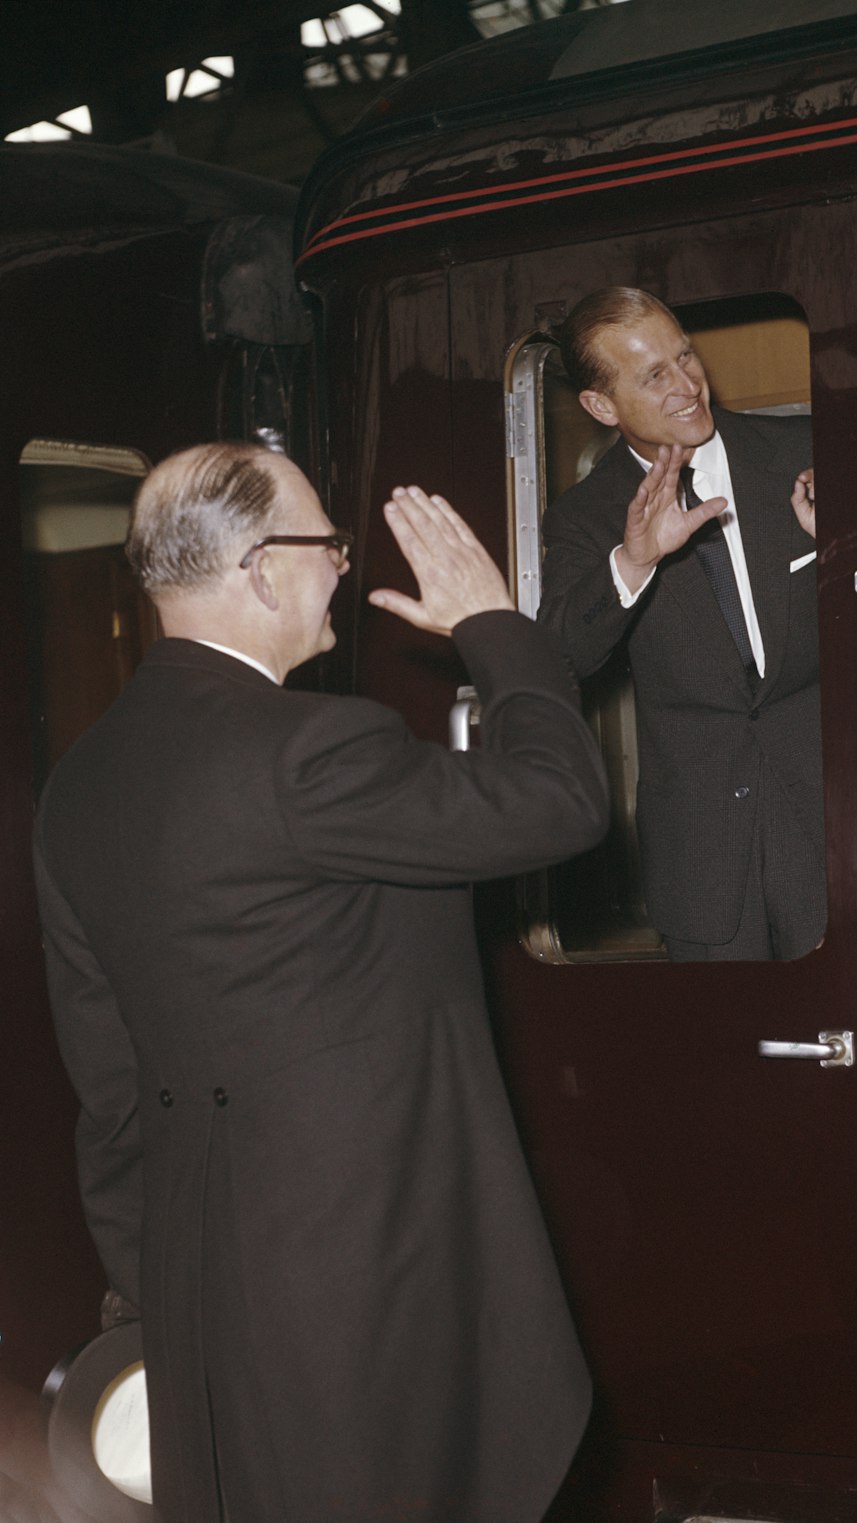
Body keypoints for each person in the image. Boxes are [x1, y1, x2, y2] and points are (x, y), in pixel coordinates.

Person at [31, 442, 610, 1522]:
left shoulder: (81, 785)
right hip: (368, 1267)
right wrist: (493, 624)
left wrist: (155, 1282)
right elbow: (560, 799)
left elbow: (106, 1072)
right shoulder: (309, 749)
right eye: (327, 544)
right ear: (258, 568)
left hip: (206, 1279)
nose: (341, 565)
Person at [538, 286, 825, 961]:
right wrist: (632, 562)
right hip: (701, 856)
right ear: (601, 405)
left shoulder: (806, 452)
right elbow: (562, 658)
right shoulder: (584, 517)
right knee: (728, 1061)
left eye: (684, 356)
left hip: (830, 832)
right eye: (654, 375)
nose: (686, 384)